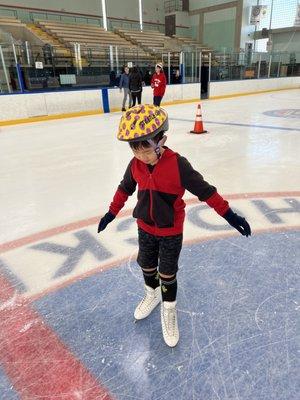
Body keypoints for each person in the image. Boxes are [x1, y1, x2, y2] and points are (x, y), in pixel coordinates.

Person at [97, 104, 251, 347]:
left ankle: (169, 310)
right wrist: (110, 213)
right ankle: (152, 295)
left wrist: (230, 216)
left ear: (161, 141)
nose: (140, 157)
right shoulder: (135, 165)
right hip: (145, 227)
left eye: (145, 151)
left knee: (167, 273)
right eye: (135, 151)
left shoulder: (178, 165)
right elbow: (124, 189)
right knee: (146, 264)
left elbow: (206, 192)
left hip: (170, 231)